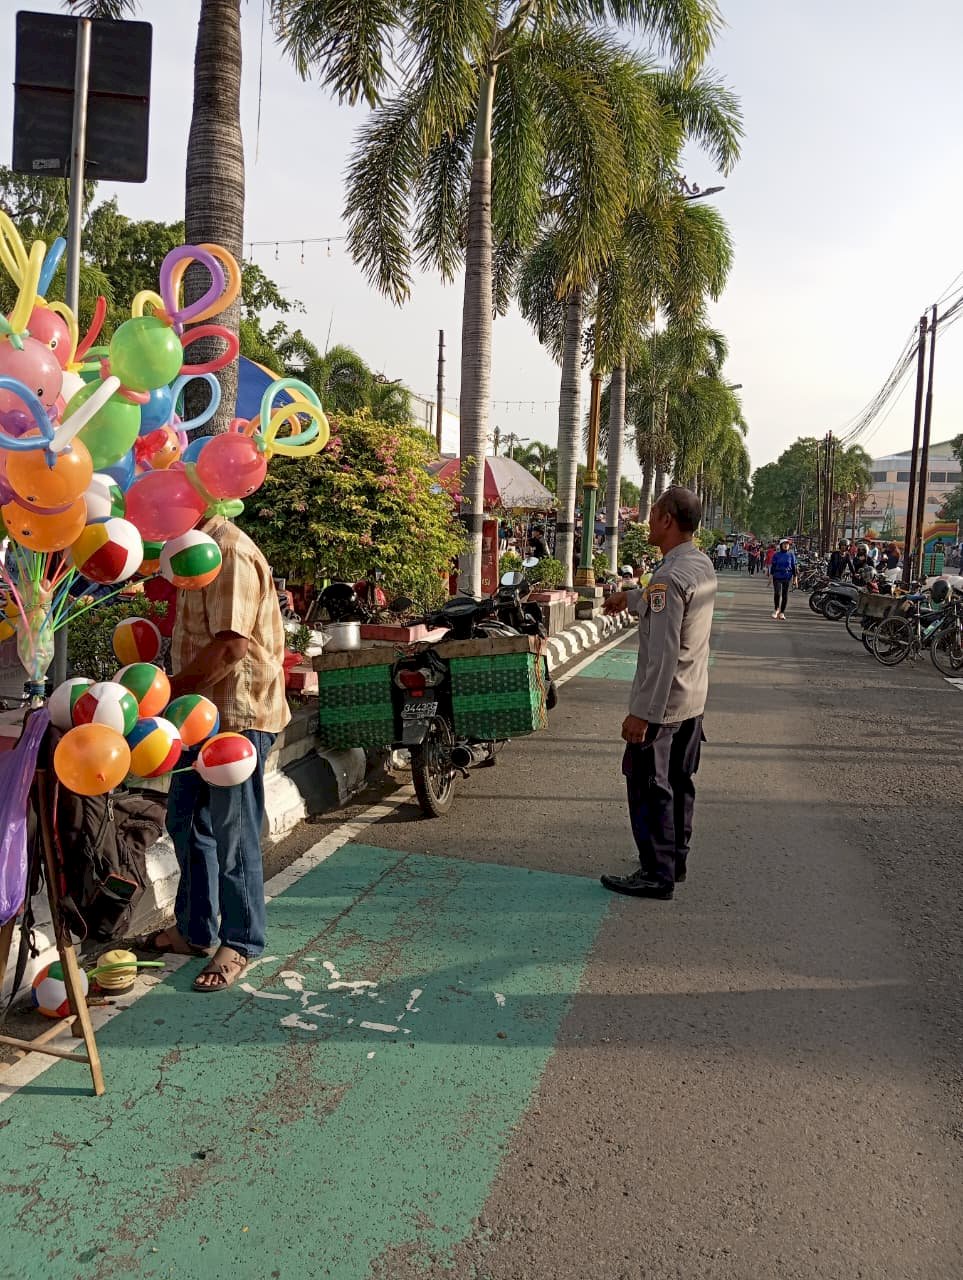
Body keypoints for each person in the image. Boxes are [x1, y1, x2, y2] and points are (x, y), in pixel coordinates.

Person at [152, 515, 291, 992]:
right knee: (186, 822)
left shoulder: (227, 551)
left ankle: (241, 941)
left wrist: (167, 691)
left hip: (237, 717)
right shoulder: (191, 546)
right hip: (197, 714)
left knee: (234, 833)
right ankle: (194, 930)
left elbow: (231, 647)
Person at [599, 487, 717, 900]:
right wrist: (628, 598)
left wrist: (643, 715)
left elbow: (663, 655)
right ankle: (674, 861)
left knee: (650, 787)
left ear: (667, 519)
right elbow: (661, 605)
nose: (646, 523)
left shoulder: (668, 576)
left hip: (663, 707)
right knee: (680, 784)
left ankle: (656, 874)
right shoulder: (698, 564)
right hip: (692, 700)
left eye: (651, 515)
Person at [770, 538, 797, 619]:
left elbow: (794, 566)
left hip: (787, 576)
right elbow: (773, 566)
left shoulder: (791, 555)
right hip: (777, 576)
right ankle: (776, 609)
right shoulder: (776, 555)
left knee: (785, 595)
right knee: (777, 593)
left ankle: (782, 612)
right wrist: (770, 577)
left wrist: (795, 578)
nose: (786, 545)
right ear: (781, 545)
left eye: (787, 544)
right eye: (784, 544)